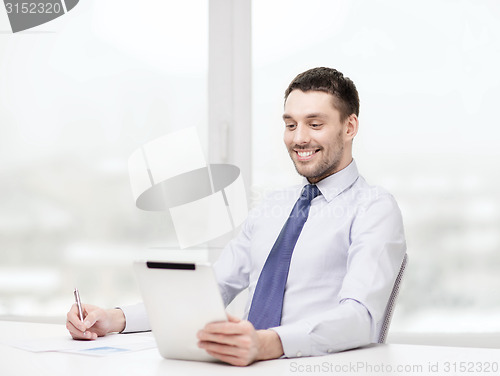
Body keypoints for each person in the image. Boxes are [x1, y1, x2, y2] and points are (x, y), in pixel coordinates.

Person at [66, 67, 406, 366]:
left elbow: (360, 317)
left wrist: (269, 344)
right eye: (290, 124)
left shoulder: (374, 208)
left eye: (314, 124)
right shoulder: (273, 206)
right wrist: (114, 319)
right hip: (241, 365)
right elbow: (214, 289)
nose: (299, 137)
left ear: (350, 127)